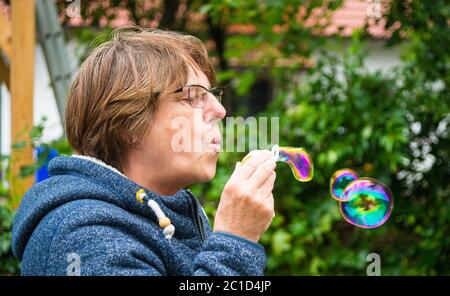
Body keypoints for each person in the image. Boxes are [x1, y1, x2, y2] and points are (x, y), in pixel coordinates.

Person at [12, 27, 277, 276]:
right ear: (128, 122)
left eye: (211, 95)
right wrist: (235, 241)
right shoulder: (85, 236)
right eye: (193, 96)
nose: (220, 111)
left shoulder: (166, 216)